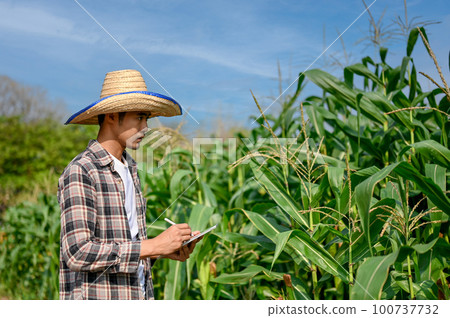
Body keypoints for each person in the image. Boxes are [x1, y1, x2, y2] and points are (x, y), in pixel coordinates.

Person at [58, 69, 201, 300]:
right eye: (140, 118)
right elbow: (77, 252)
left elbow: (128, 246)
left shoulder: (131, 170)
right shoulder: (82, 170)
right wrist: (152, 246)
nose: (146, 127)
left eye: (147, 119)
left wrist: (164, 250)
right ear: (113, 116)